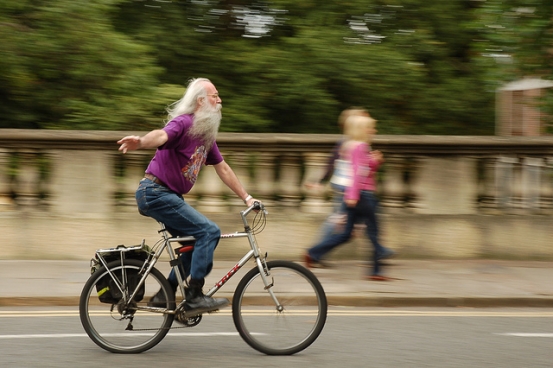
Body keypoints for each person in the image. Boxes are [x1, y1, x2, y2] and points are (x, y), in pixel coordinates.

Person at [117, 77, 260, 314]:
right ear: (201, 101)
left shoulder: (204, 135)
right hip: (155, 192)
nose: (219, 100)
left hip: (167, 195)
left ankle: (165, 293)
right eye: (215, 96)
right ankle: (194, 295)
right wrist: (141, 141)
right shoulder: (183, 123)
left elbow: (223, 168)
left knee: (193, 245)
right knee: (209, 231)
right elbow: (161, 136)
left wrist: (247, 197)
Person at [304, 115, 394, 280]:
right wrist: (352, 195)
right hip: (363, 194)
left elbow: (363, 170)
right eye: (371, 128)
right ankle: (376, 271)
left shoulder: (350, 145)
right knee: (374, 231)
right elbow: (358, 173)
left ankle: (313, 252)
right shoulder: (361, 146)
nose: (374, 130)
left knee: (346, 233)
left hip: (355, 194)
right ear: (362, 130)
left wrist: (375, 161)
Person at [305, 108, 371, 252]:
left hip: (347, 187)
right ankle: (315, 252)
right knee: (338, 220)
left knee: (342, 219)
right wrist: (319, 181)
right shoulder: (349, 142)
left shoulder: (352, 141)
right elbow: (333, 163)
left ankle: (316, 252)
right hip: (346, 187)